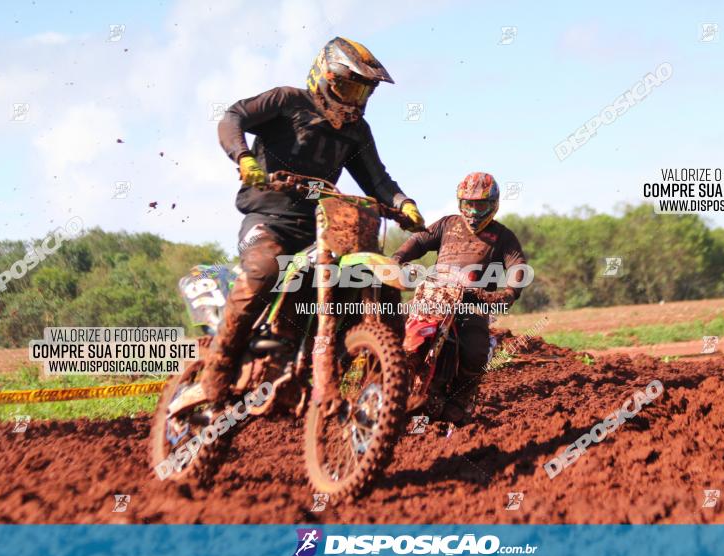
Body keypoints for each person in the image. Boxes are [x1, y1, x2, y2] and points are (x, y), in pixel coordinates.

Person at [201, 37, 426, 402]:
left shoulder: (356, 132)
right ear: (324, 77)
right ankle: (220, 363)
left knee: (367, 283)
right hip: (269, 218)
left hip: (323, 226)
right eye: (348, 87)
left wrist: (404, 203)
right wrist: (244, 157)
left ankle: (385, 383)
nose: (354, 100)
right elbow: (233, 116)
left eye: (362, 92)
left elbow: (377, 179)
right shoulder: (287, 100)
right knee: (264, 269)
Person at [392, 172, 528, 422]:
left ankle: (460, 398)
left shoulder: (503, 236)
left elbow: (517, 266)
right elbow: (419, 240)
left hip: (472, 303)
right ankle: (381, 379)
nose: (474, 211)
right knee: (392, 325)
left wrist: (509, 292)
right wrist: (397, 258)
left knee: (474, 349)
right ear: (460, 203)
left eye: (481, 205)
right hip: (433, 294)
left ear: (493, 204)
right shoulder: (448, 224)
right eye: (469, 204)